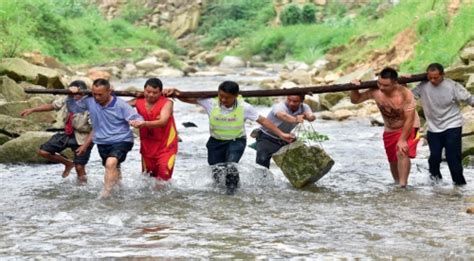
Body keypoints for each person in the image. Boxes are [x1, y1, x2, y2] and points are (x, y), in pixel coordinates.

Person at [163, 81, 294, 194]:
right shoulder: (210, 102)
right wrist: (176, 92)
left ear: (236, 96)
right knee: (216, 168)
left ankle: (232, 193)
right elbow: (188, 98)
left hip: (236, 141)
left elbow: (263, 121)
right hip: (215, 141)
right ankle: (219, 190)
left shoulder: (245, 107)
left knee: (231, 166)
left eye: (227, 98)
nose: (223, 100)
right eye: (221, 96)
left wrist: (282, 134)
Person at [66, 78, 143, 198]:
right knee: (113, 168)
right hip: (102, 141)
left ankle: (105, 194)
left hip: (122, 140)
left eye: (100, 94)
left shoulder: (120, 104)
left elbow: (136, 117)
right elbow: (73, 109)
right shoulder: (89, 101)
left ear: (109, 91)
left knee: (110, 163)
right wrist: (70, 95)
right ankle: (119, 193)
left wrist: (136, 122)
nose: (97, 97)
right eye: (94, 94)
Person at [351, 67, 421, 188]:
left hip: (410, 127)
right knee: (392, 159)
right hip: (390, 129)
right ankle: (397, 183)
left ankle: (403, 185)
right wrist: (354, 87)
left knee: (402, 151)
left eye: (386, 85)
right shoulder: (376, 91)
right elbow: (355, 100)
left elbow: (409, 119)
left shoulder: (405, 94)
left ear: (395, 83)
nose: (382, 87)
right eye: (379, 83)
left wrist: (403, 139)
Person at [411, 63, 473, 185]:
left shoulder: (452, 86)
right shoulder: (423, 86)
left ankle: (459, 185)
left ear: (443, 75)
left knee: (453, 159)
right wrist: (404, 81)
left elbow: (470, 100)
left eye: (436, 77)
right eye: (430, 78)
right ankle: (436, 185)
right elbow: (407, 96)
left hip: (452, 125)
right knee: (434, 158)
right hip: (433, 128)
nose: (433, 80)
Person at [20, 80, 93, 183]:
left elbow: (96, 129)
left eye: (78, 94)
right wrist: (32, 110)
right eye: (72, 94)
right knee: (43, 151)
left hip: (84, 137)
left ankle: (82, 189)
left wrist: (85, 146)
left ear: (84, 93)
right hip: (68, 133)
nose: (75, 96)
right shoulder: (68, 98)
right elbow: (52, 106)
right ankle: (68, 163)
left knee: (80, 167)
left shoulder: (91, 105)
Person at [129, 78, 178, 181]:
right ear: (144, 90)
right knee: (148, 180)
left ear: (161, 92)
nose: (151, 95)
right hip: (147, 147)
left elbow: (163, 121)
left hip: (166, 147)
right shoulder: (138, 101)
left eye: (155, 93)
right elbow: (118, 106)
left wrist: (144, 124)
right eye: (148, 92)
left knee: (163, 180)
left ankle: (165, 198)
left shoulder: (167, 103)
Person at [255, 94, 316, 168]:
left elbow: (311, 117)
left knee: (297, 162)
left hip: (285, 138)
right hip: (267, 137)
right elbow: (283, 116)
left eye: (295, 101)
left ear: (301, 101)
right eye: (289, 100)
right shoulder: (279, 106)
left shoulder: (304, 107)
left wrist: (308, 116)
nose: (291, 103)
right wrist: (296, 119)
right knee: (262, 162)